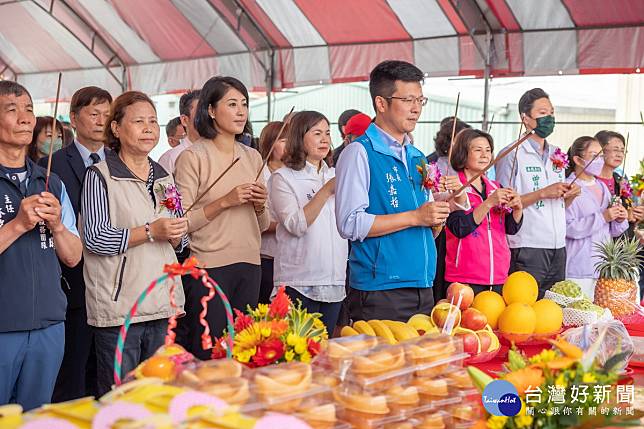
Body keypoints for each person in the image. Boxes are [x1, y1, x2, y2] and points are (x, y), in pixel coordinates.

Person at [81, 91, 188, 396]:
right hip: (120, 309)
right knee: (121, 396)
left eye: (153, 121)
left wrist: (178, 234)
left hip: (162, 304)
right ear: (115, 128)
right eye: (138, 121)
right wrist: (151, 231)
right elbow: (96, 238)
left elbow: (179, 239)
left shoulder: (165, 177)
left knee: (159, 394)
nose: (148, 128)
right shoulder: (100, 176)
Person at [335, 60, 451, 322]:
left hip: (423, 282)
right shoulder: (359, 153)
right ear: (381, 103)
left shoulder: (417, 156)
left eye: (421, 100)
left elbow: (424, 220)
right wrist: (416, 217)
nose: (416, 109)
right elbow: (349, 223)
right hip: (381, 288)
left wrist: (435, 219)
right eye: (409, 100)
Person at [0, 81, 82, 410]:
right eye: (11, 110)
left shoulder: (51, 182)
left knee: (37, 415)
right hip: (4, 325)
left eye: (30, 110)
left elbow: (74, 257)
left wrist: (59, 225)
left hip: (49, 324)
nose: (25, 118)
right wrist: (18, 225)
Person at [174, 76, 269, 359]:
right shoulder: (192, 157)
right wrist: (225, 201)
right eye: (232, 104)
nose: (241, 111)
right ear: (211, 110)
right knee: (211, 354)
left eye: (244, 104)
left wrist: (261, 205)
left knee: (245, 353)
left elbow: (262, 226)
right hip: (209, 267)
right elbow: (183, 222)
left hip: (251, 264)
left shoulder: (252, 156)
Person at [37, 86, 112, 402]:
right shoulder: (50, 165)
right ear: (74, 118)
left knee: (108, 371)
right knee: (73, 370)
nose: (101, 121)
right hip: (73, 280)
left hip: (114, 279)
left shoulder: (122, 162)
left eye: (108, 115)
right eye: (93, 114)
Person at [495, 88, 580, 297]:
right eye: (543, 113)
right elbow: (503, 204)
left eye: (551, 112)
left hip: (558, 245)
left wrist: (568, 197)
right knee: (524, 306)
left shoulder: (556, 154)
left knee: (554, 307)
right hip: (527, 245)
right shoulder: (511, 154)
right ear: (526, 118)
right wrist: (543, 193)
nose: (549, 118)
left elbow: (558, 204)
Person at [270, 111, 348, 332]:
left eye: (327, 133)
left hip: (334, 280)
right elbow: (295, 225)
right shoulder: (283, 178)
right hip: (299, 282)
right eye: (317, 133)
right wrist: (325, 191)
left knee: (323, 355)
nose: (325, 139)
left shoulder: (335, 173)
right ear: (299, 137)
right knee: (295, 355)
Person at [445, 129, 523, 295]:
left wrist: (517, 208)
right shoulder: (454, 187)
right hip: (465, 278)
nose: (485, 155)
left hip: (499, 276)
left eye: (488, 150)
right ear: (463, 153)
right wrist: (488, 203)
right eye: (478, 150)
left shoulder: (496, 187)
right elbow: (459, 228)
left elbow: (510, 228)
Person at [565, 136, 629, 299]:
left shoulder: (601, 187)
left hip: (603, 267)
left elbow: (611, 231)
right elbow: (568, 228)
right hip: (579, 266)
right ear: (578, 160)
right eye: (594, 156)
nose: (599, 160)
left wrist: (619, 219)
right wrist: (602, 217)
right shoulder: (568, 187)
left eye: (601, 156)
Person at [258, 121, 288, 304]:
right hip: (267, 256)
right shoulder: (259, 172)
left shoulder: (297, 172)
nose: (290, 145)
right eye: (283, 140)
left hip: (291, 259)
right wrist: (291, 225)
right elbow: (257, 220)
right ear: (270, 143)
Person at [157, 90, 200, 175]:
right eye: (200, 113)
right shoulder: (170, 158)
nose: (207, 117)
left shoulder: (220, 152)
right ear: (184, 120)